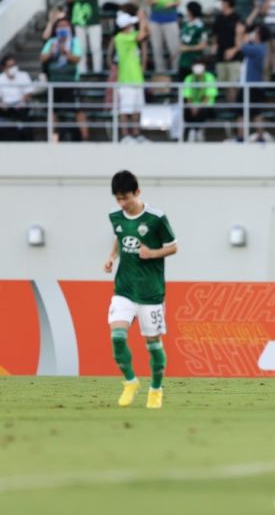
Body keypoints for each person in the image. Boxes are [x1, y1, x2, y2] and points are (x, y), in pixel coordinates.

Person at [104, 170, 178, 409]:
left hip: (150, 292)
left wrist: (152, 253)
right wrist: (111, 256)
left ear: (138, 192)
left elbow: (173, 247)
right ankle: (130, 382)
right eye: (118, 199)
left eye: (126, 197)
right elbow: (119, 235)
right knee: (117, 337)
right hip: (124, 289)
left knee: (153, 344)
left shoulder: (156, 218)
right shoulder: (116, 217)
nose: (123, 203)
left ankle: (155, 389)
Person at [40, 17, 90, 141]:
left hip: (71, 81)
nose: (62, 28)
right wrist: (52, 52)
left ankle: (85, 137)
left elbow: (77, 59)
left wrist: (66, 52)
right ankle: (52, 138)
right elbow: (43, 58)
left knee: (78, 110)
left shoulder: (74, 42)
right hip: (54, 82)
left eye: (65, 25)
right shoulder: (51, 42)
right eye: (60, 26)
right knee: (53, 110)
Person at [107, 10, 149, 143]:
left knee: (137, 109)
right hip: (126, 79)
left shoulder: (132, 35)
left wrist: (144, 20)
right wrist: (142, 20)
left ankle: (136, 135)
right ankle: (125, 136)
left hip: (137, 78)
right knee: (125, 110)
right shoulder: (120, 37)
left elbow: (145, 33)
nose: (133, 26)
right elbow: (141, 35)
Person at [213, 0, 245, 103]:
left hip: (234, 57)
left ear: (227, 3)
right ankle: (229, 105)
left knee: (233, 84)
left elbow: (242, 38)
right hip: (221, 55)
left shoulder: (238, 18)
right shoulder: (218, 18)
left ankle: (235, 108)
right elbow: (215, 35)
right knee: (224, 85)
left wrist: (234, 50)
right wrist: (215, 45)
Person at [0, 55, 35, 141]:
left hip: (21, 107)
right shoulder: (1, 78)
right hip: (6, 108)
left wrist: (22, 101)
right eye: (10, 66)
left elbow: (29, 93)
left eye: (14, 65)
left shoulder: (23, 75)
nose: (13, 68)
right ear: (4, 68)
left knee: (24, 118)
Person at [182, 59, 218, 141]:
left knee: (202, 111)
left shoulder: (209, 77)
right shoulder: (189, 78)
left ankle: (197, 131)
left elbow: (209, 94)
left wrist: (198, 106)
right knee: (186, 110)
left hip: (207, 105)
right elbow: (187, 95)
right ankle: (192, 131)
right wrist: (192, 106)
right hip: (192, 105)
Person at [147, 0, 181, 72]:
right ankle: (159, 70)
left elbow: (179, 2)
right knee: (156, 48)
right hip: (155, 21)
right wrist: (153, 2)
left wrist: (173, 3)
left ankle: (175, 69)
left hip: (170, 20)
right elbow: (148, 2)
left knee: (174, 47)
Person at [71, 0, 103, 74]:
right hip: (79, 17)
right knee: (81, 47)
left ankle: (97, 71)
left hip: (93, 18)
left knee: (96, 47)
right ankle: (82, 71)